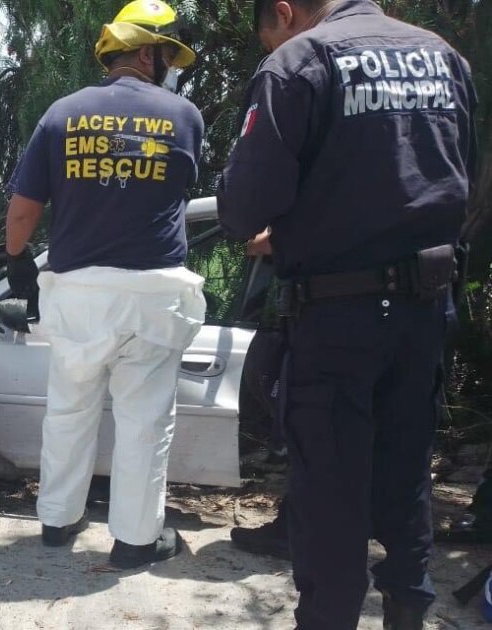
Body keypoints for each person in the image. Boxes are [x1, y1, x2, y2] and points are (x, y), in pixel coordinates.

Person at [217, 0, 477, 628]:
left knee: (330, 495)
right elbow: (446, 178)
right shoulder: (443, 57)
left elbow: (244, 206)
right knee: (406, 477)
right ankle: (408, 614)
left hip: (336, 317)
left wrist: (289, 226)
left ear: (284, 12)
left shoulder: (298, 63)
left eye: (267, 37)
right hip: (424, 311)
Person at [4, 0, 206, 570]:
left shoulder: (62, 113)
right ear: (146, 53)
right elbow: (176, 191)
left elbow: (24, 208)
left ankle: (57, 521)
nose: (169, 68)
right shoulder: (183, 115)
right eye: (166, 56)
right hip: (152, 294)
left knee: (69, 410)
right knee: (144, 421)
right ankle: (136, 540)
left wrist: (17, 260)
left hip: (79, 293)